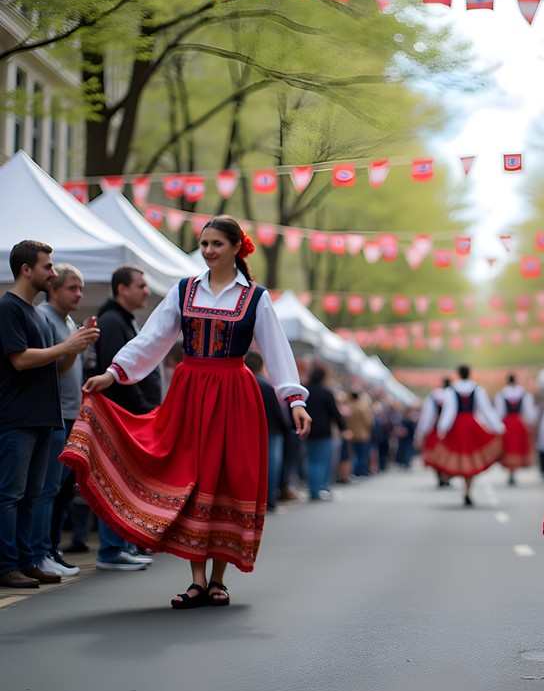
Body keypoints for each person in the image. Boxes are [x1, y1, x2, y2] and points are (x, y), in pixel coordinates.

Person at [61, 215, 311, 609]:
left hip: (234, 394)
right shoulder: (185, 290)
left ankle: (218, 580)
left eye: (216, 244)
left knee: (228, 477)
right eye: (205, 243)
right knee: (189, 474)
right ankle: (196, 580)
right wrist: (113, 373)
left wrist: (295, 401)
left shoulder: (255, 297)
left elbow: (277, 352)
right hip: (190, 391)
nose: (208, 251)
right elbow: (152, 338)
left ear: (236, 248)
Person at [1, 241, 98, 589]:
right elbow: (20, 359)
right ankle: (7, 564)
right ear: (27, 269)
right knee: (11, 495)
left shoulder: (30, 311)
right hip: (18, 418)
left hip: (44, 418)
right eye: (48, 266)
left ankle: (27, 561)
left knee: (31, 494)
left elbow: (54, 366)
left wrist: (74, 345)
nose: (53, 273)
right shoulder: (9, 308)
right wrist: (68, 345)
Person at [90, 265, 163, 572]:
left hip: (132, 415)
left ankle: (125, 543)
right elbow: (117, 374)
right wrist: (143, 409)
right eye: (141, 285)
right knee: (118, 480)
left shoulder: (123, 321)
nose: (146, 291)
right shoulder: (112, 321)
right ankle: (113, 548)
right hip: (122, 416)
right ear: (122, 289)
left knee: (129, 481)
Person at [34, 263, 88, 578]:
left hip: (69, 414)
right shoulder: (44, 317)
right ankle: (40, 552)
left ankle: (50, 548)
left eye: (81, 288)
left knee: (61, 488)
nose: (79, 294)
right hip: (55, 415)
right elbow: (49, 366)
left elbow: (66, 366)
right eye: (73, 288)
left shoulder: (67, 320)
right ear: (54, 289)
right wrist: (72, 346)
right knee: (46, 489)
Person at [435, 364, 505, 506]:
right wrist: (498, 427)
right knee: (471, 459)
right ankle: (468, 489)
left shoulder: (451, 390)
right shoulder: (477, 389)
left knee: (461, 457)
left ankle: (464, 488)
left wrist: (442, 428)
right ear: (469, 374)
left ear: (458, 374)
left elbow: (449, 411)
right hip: (471, 425)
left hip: (457, 426)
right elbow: (486, 410)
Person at [244, 352, 290, 513]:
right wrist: (286, 428)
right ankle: (268, 500)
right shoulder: (265, 385)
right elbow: (277, 411)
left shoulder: (241, 382)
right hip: (272, 430)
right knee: (271, 466)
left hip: (247, 430)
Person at [303, 366, 347, 501]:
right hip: (323, 431)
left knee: (311, 461)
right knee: (322, 461)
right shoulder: (326, 393)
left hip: (308, 430)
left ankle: (313, 489)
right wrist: (343, 429)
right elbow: (335, 413)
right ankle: (320, 488)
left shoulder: (305, 391)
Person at [494, 373, 537, 484]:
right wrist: (531, 422)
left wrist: (497, 425)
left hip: (507, 423)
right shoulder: (523, 393)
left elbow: (500, 412)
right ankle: (513, 472)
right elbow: (528, 411)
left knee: (508, 447)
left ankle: (510, 471)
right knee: (516, 447)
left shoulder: (502, 394)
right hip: (519, 423)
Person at [414, 378, 452, 487]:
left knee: (436, 455)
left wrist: (422, 432)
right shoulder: (453, 395)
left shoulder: (434, 396)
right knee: (448, 455)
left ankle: (440, 477)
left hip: (435, 429)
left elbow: (427, 416)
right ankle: (446, 476)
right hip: (449, 431)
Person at [347, 391, 374, 478]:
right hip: (363, 434)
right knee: (362, 454)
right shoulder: (363, 407)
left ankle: (354, 472)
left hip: (351, 434)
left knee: (353, 454)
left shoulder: (349, 407)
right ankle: (361, 471)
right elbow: (369, 422)